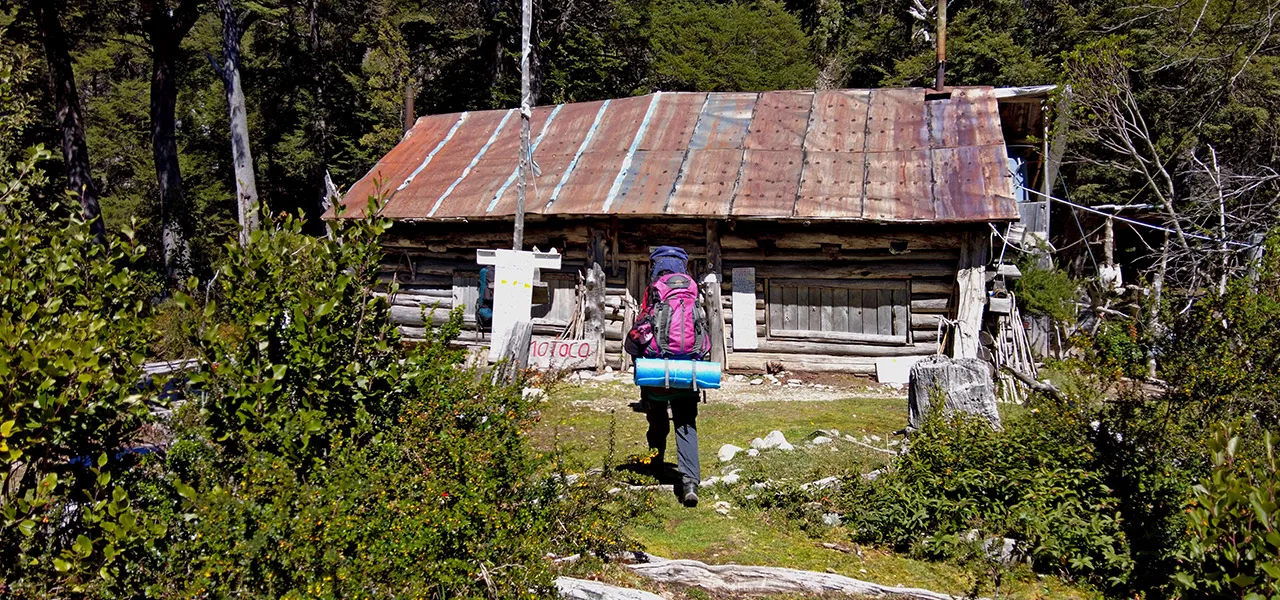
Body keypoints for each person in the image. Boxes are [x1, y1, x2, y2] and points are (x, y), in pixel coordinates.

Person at [625, 246, 710, 507]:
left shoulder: (655, 292)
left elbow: (639, 332)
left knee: (657, 421)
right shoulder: (692, 291)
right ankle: (690, 483)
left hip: (657, 372)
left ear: (657, 266)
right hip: (688, 372)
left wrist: (636, 357)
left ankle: (655, 467)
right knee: (686, 424)